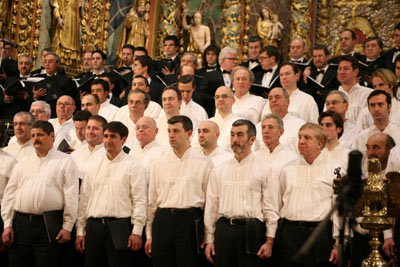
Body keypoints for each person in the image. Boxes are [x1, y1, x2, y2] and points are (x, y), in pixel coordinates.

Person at [1, 120, 79, 266]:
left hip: (48, 224)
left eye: (40, 135)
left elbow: (72, 196)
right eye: (33, 135)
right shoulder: (23, 162)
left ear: (52, 136)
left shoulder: (65, 161)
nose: (36, 138)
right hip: (21, 224)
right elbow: (10, 193)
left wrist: (67, 226)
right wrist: (7, 224)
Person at [204, 119, 279, 266]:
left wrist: (270, 241)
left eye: (239, 135)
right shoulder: (219, 169)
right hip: (224, 230)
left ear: (252, 139)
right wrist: (209, 239)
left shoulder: (264, 169)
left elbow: (271, 208)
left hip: (251, 230)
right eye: (232, 135)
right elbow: (211, 206)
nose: (235, 140)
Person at [75, 121, 147, 267]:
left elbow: (140, 200)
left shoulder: (134, 166)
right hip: (94, 226)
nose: (108, 140)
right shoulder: (93, 165)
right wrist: (80, 231)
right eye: (106, 136)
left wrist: (137, 231)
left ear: (124, 139)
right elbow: (84, 199)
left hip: (120, 226)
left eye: (113, 136)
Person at [145, 115, 213, 267]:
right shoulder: (158, 162)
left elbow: (210, 203)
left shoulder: (204, 162)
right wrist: (149, 234)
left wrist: (209, 235)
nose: (171, 135)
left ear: (189, 134)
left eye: (176, 131)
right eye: (169, 131)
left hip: (189, 220)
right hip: (163, 220)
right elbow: (152, 201)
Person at [277, 123, 343, 266]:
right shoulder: (288, 169)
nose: (301, 141)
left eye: (307, 138)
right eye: (300, 137)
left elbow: (339, 209)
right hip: (289, 234)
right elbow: (280, 202)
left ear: (320, 143)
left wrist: (338, 244)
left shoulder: (335, 170)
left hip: (319, 233)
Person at [352, 90, 400, 172]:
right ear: (369, 108)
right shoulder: (361, 137)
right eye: (372, 105)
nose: (376, 109)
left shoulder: (398, 134)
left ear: (389, 107)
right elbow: (355, 166)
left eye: (380, 104)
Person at [256, 87, 305, 152]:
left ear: (288, 102)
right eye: (270, 98)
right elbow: (253, 152)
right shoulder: (259, 127)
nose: (273, 100)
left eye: (277, 97)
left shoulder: (300, 125)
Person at [32, 52, 78, 117]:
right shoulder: (38, 80)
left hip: (60, 114)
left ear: (57, 64)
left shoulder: (66, 80)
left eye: (50, 62)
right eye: (45, 62)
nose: (47, 64)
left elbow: (72, 100)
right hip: (43, 115)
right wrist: (35, 97)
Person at [303, 44, 340, 112]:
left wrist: (322, 92)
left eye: (320, 56)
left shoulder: (335, 72)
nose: (317, 59)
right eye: (314, 56)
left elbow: (338, 90)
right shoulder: (309, 72)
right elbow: (304, 93)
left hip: (329, 110)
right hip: (311, 109)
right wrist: (305, 79)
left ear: (327, 57)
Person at [336, 56, 373, 123]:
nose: (342, 72)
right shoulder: (333, 96)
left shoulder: (368, 94)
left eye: (346, 69)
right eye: (339, 69)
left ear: (355, 72)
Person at [70, 115, 107, 180]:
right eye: (88, 128)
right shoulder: (75, 153)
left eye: (95, 128)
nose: (90, 132)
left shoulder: (109, 154)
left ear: (104, 132)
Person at [50, 0, 82, 68]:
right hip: (63, 25)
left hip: (73, 29)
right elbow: (56, 7)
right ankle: (61, 58)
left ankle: (70, 60)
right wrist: (58, 18)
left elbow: (80, 16)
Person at [1, 55, 33, 120]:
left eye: (26, 63)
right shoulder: (9, 80)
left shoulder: (38, 80)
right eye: (21, 63)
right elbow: (1, 99)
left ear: (32, 66)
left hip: (28, 118)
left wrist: (28, 98)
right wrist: (6, 99)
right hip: (9, 117)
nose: (23, 66)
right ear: (18, 66)